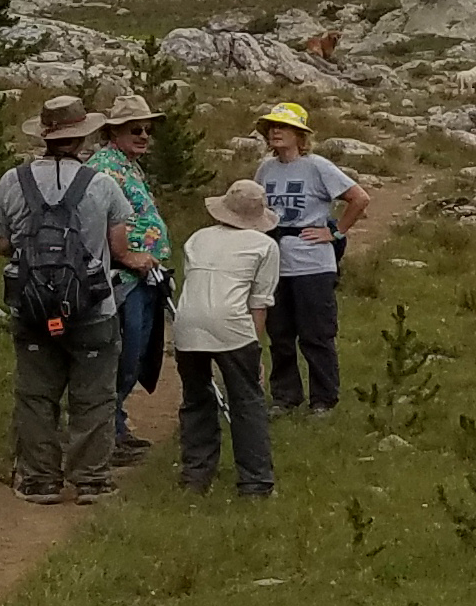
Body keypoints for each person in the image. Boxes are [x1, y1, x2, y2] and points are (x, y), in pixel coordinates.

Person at [0, 92, 153, 505]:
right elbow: (117, 247)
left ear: (45, 134)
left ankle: (41, 479)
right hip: (93, 305)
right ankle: (91, 479)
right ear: (82, 138)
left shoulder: (13, 180)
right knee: (94, 393)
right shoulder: (102, 183)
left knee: (36, 393)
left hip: (32, 305)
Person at [170, 179, 284, 496]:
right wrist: (255, 350)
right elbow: (258, 303)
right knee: (246, 401)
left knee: (196, 399)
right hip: (232, 325)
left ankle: (195, 477)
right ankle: (256, 481)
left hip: (188, 322)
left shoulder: (197, 238)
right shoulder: (265, 246)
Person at [252, 102, 365, 414]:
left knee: (316, 334)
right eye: (272, 127)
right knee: (281, 334)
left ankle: (323, 399)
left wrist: (336, 232)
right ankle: (286, 397)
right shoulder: (266, 169)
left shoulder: (317, 166)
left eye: (283, 127)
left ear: (299, 135)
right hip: (275, 261)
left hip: (313, 264)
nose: (275, 131)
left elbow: (359, 198)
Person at [90, 96, 174, 461]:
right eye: (134, 129)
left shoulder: (127, 165)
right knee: (125, 353)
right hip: (122, 275)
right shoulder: (106, 168)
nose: (144, 135)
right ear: (113, 132)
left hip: (140, 272)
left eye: (147, 129)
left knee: (137, 352)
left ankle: (116, 426)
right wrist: (127, 257)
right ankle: (105, 433)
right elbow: (106, 223)